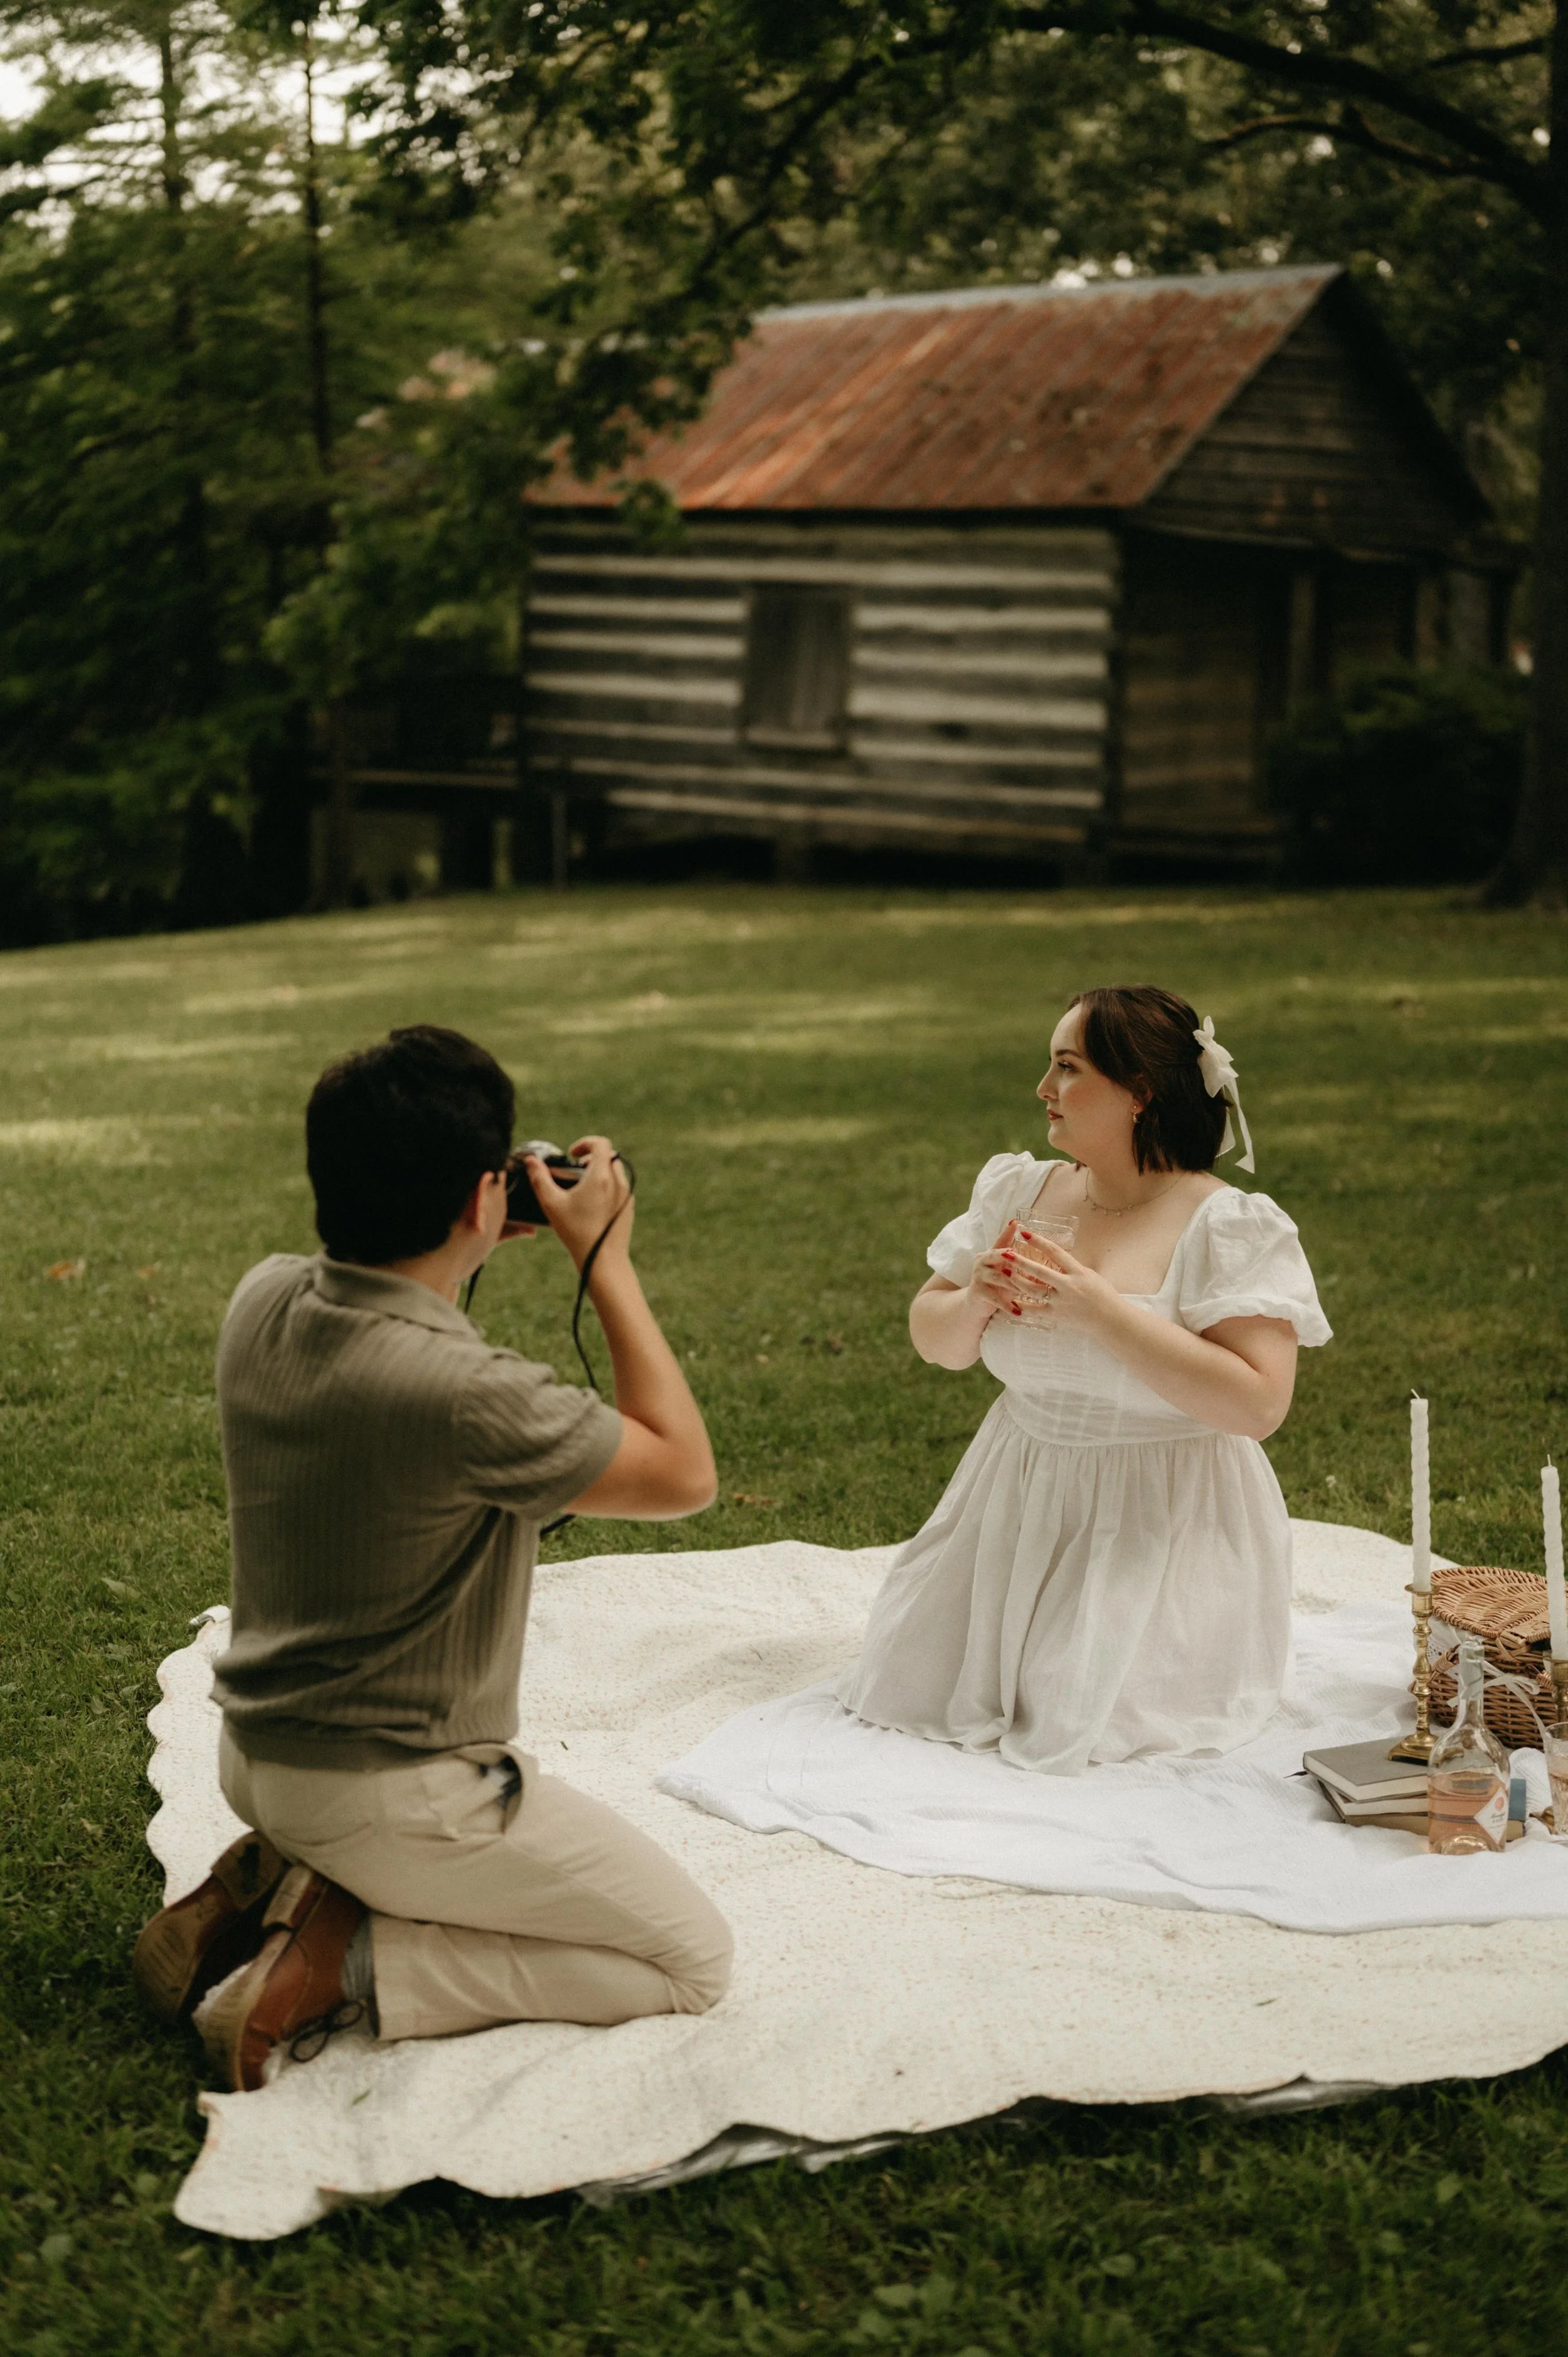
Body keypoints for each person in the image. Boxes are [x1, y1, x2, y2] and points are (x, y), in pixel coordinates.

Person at [132, 1024, 730, 2090]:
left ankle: (294, 1879)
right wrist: (605, 1260)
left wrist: (463, 1231)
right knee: (689, 1957)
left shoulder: (262, 1296)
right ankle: (335, 1958)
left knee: (371, 1833)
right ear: (478, 1197)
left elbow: (394, 1320)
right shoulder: (468, 1395)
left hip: (258, 1756)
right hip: (394, 1795)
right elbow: (685, 1472)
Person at [838, 985, 1332, 1776]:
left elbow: (1258, 1404)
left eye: (1067, 1067)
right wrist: (975, 1299)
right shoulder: (1020, 1191)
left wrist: (1102, 1311)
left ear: (1139, 1092)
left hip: (1162, 1519)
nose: (1043, 1089)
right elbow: (936, 1341)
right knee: (913, 1681)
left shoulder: (1228, 1225)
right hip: (1013, 1498)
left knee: (1089, 1716)